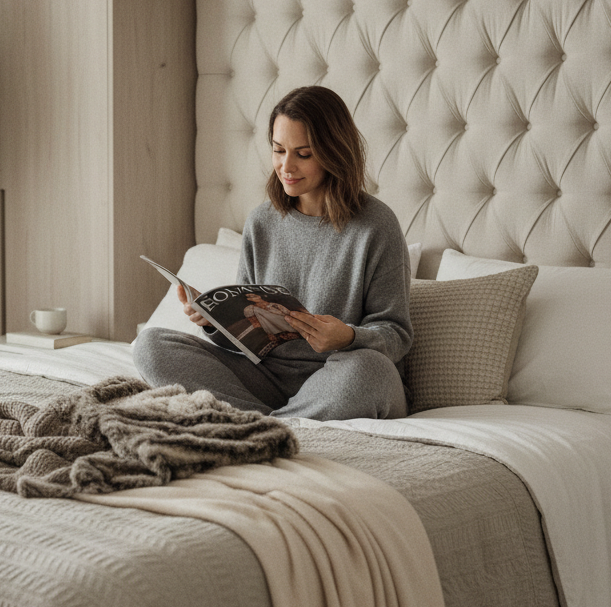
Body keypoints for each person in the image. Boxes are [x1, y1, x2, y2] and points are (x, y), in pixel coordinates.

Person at [133, 85, 412, 420]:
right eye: (279, 150)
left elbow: (396, 335)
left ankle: (261, 423)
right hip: (266, 377)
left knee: (371, 371)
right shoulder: (261, 222)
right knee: (151, 346)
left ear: (335, 152)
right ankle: (280, 422)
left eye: (303, 154)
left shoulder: (376, 225)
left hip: (340, 374)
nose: (286, 166)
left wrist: (348, 337)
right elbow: (248, 340)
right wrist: (214, 321)